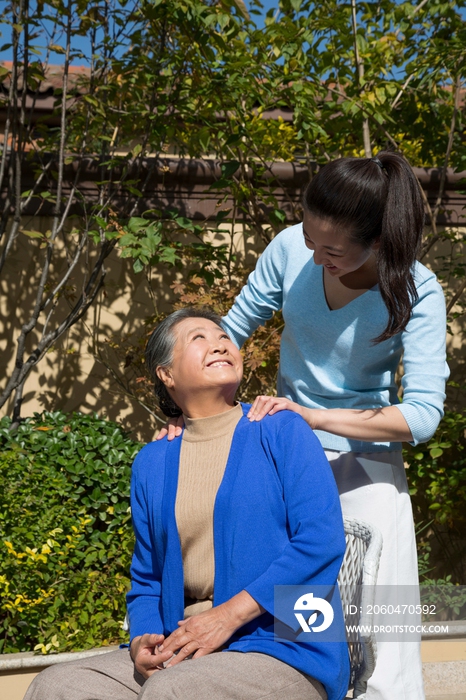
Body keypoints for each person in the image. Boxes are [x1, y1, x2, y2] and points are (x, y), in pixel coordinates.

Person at [161, 151, 448, 699]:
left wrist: (317, 417)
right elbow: (232, 329)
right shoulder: (293, 247)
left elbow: (422, 415)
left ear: (380, 242)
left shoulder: (416, 289)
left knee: (379, 636)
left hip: (366, 463)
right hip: (289, 455)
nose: (314, 257)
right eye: (310, 240)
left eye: (332, 250)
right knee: (304, 621)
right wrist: (185, 415)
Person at [25, 308, 350, 700]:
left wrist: (227, 617)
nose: (219, 343)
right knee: (58, 686)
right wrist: (141, 642)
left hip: (284, 646)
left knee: (173, 691)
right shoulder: (153, 461)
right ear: (167, 374)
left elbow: (321, 540)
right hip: (183, 649)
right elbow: (147, 578)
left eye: (223, 337)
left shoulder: (282, 429)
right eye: (199, 338)